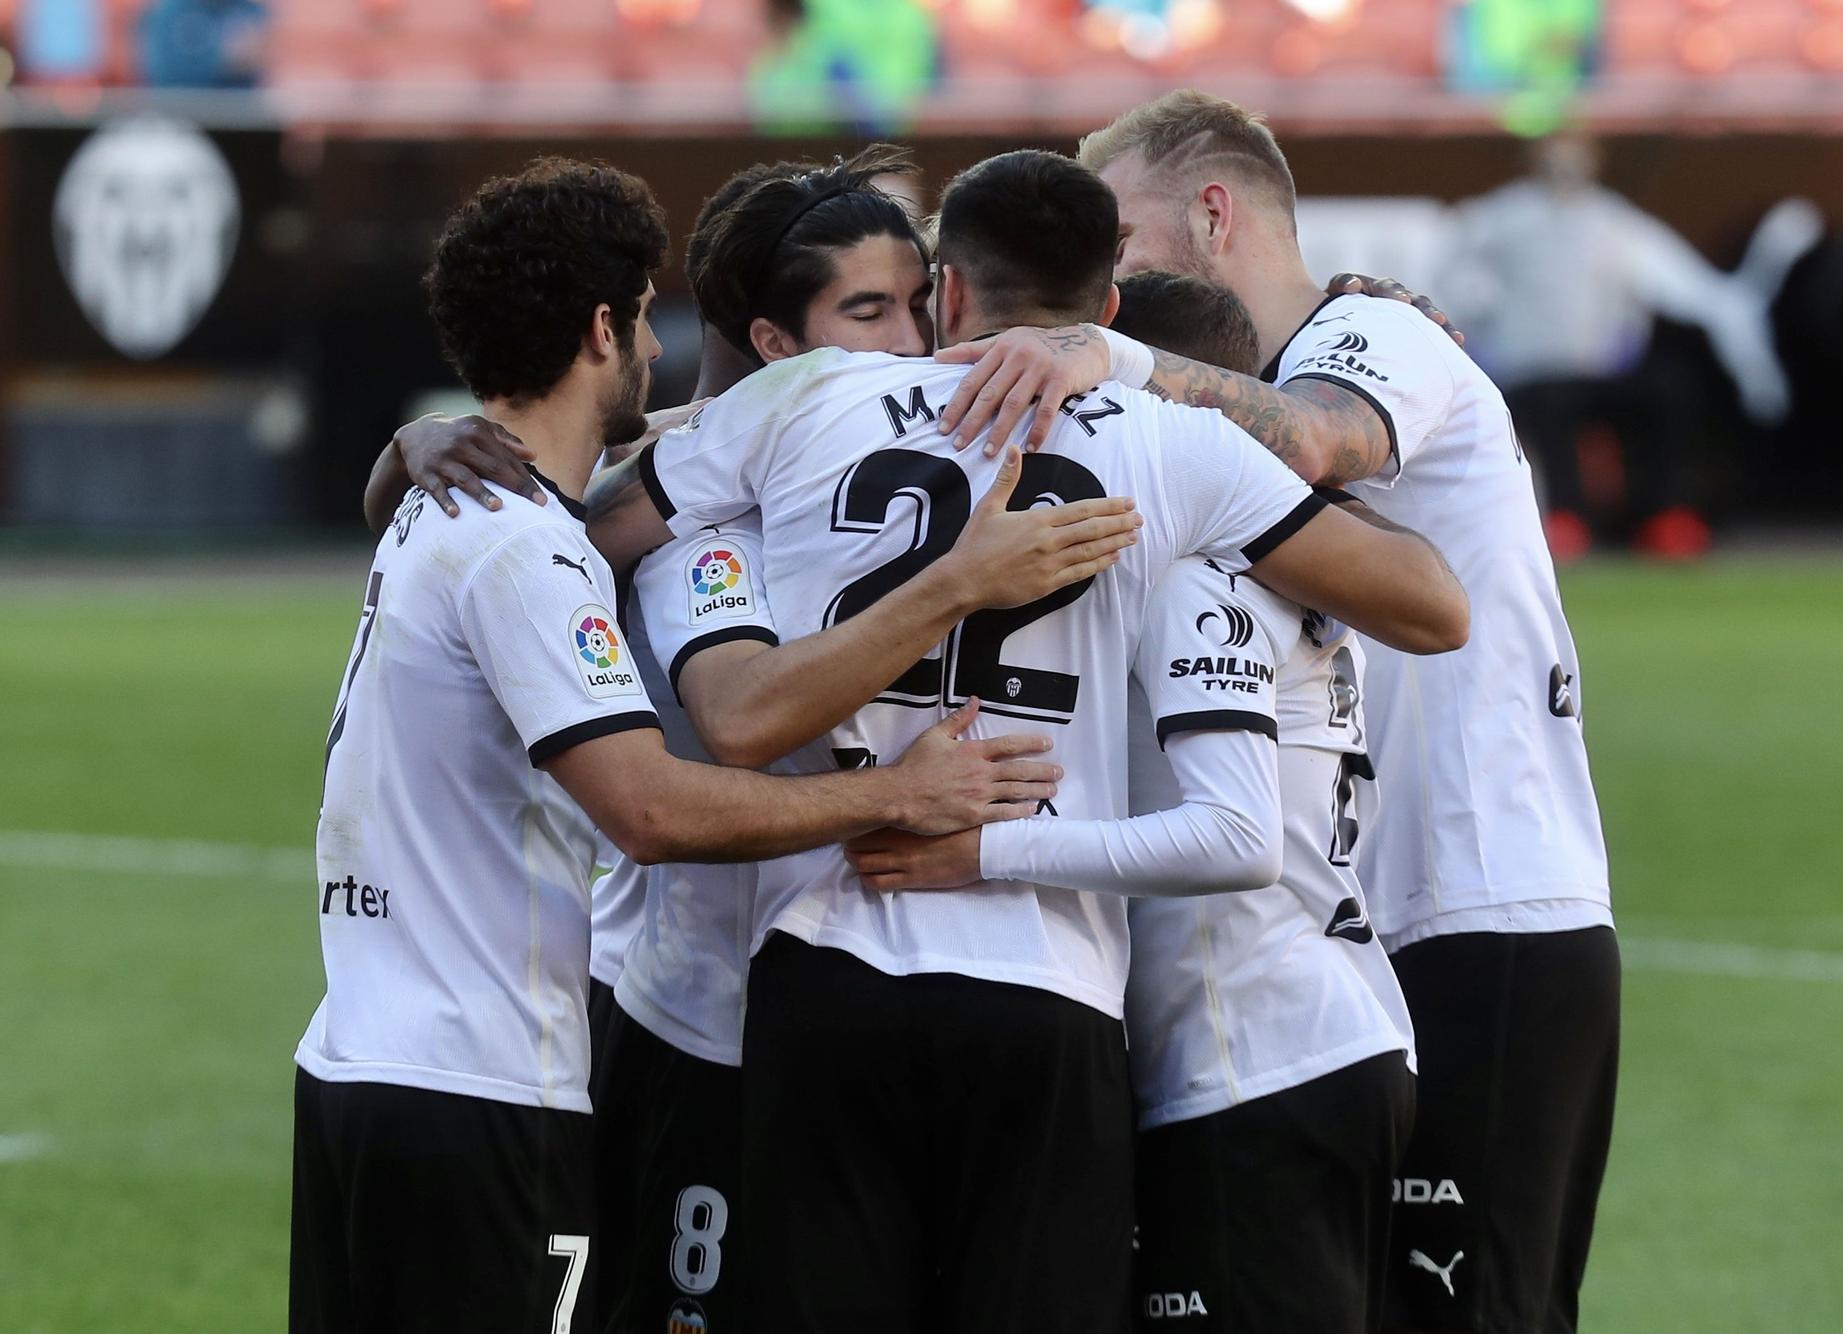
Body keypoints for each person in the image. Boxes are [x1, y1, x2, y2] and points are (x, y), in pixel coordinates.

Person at [581, 147, 1466, 1333]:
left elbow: (595, 527)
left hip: (822, 961)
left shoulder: (797, 401)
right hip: (1045, 989)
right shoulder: (1166, 442)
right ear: (1104, 307)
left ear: (945, 289)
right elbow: (1429, 606)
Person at [371, 148, 1144, 1334]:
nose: (912, 343)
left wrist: (1107, 348)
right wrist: (416, 446)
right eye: (869, 310)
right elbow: (718, 707)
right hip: (692, 1011)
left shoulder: (852, 448)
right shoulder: (683, 511)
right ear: (779, 339)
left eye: (919, 301)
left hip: (844, 1010)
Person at [942, 91, 1620, 1334]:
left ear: (1211, 214)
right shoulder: (1217, 423)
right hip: (1361, 937)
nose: (1103, 285)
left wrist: (1122, 356)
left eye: (1125, 245)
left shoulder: (1372, 337)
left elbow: (1318, 439)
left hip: (1480, 903)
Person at [850, 271, 1422, 1334]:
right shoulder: (1273, 561)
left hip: (1251, 1058)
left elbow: (1234, 835)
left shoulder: (1187, 573)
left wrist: (986, 848)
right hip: (1318, 1031)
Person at [1447, 128, 1790, 557]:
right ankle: (1565, 517)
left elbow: (1685, 285)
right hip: (1527, 374)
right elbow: (1453, 278)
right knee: (1552, 405)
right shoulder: (1498, 220)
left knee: (1667, 392)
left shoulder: (1614, 222)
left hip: (1598, 371)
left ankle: (1664, 514)